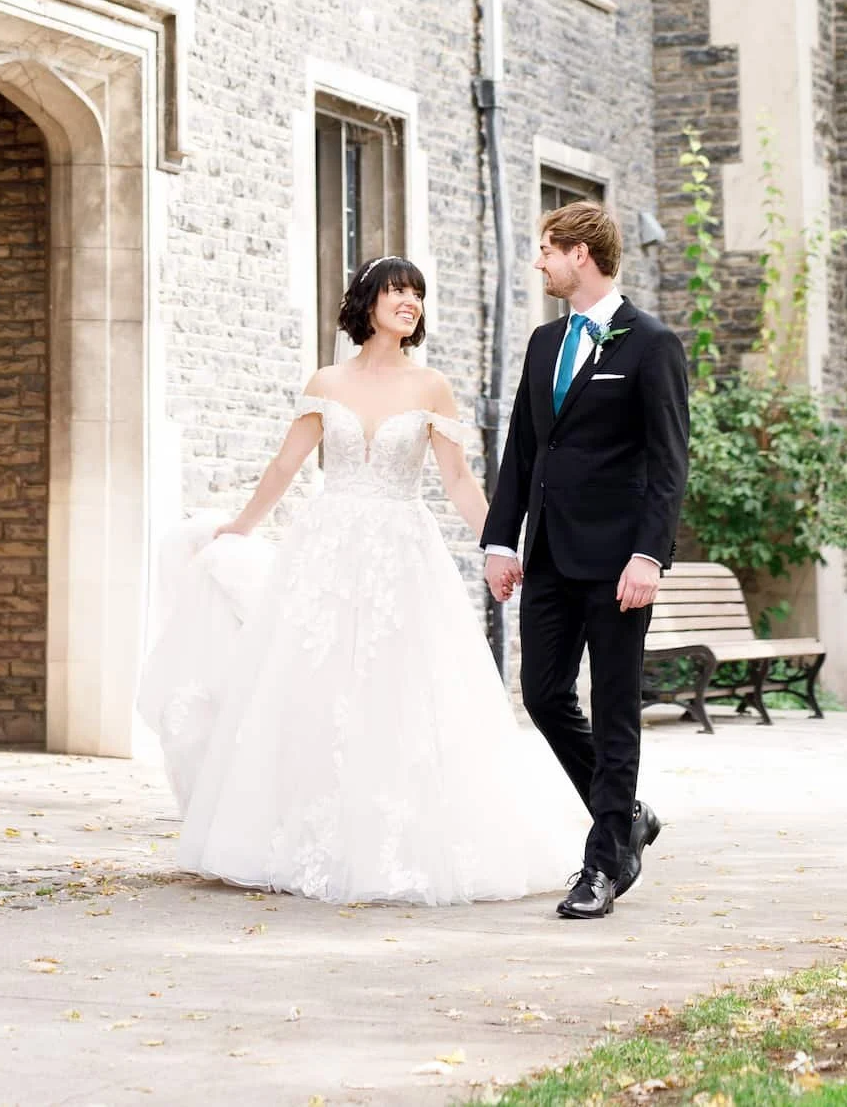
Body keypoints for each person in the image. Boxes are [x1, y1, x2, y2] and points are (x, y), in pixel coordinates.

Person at [138, 256, 588, 905]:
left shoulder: (430, 385)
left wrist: (499, 542)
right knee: (312, 685)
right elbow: (286, 465)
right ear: (367, 301)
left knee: (401, 686)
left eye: (417, 294)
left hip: (402, 551)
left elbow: (457, 479)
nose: (409, 302)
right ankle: (294, 837)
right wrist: (237, 526)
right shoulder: (326, 381)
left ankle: (399, 842)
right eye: (397, 291)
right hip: (325, 549)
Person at [482, 200, 690, 920]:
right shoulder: (544, 344)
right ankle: (625, 813)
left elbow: (669, 465)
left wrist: (648, 556)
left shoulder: (650, 343)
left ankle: (602, 864)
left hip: (617, 562)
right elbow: (523, 451)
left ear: (580, 254)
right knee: (541, 695)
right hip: (545, 555)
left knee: (613, 707)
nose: (537, 262)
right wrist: (500, 541)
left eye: (545, 249)